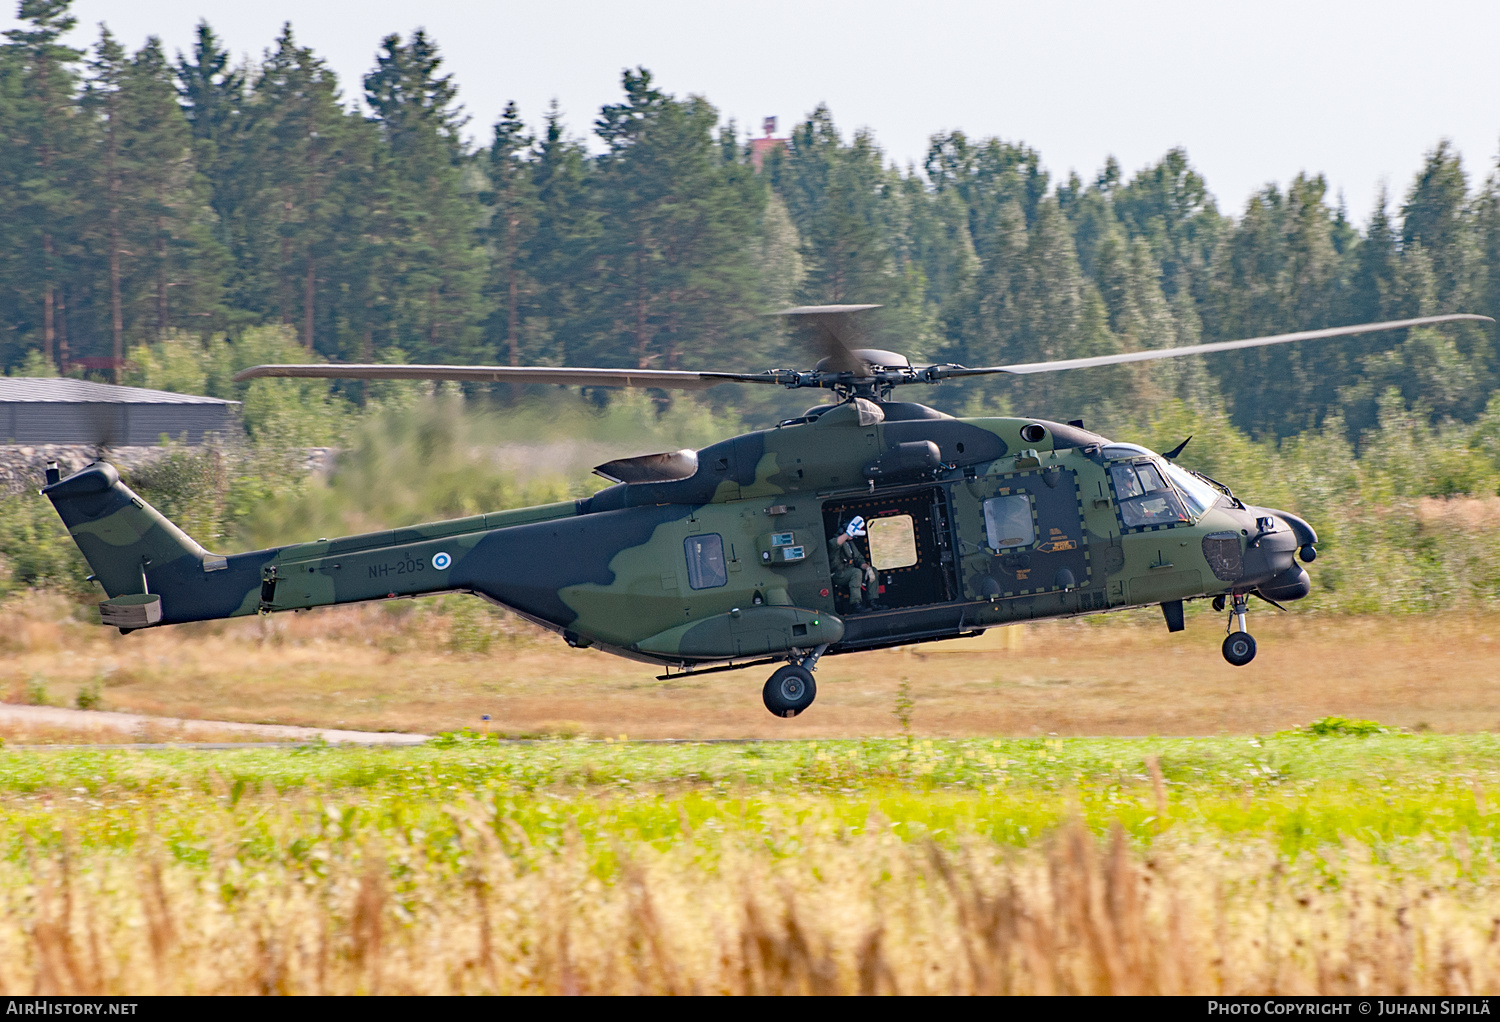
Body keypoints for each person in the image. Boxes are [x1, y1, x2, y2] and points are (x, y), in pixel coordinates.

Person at [829, 515, 880, 611]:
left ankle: (872, 602)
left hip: (851, 572)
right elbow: (833, 544)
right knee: (856, 572)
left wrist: (867, 568)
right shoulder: (837, 541)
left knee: (872, 570)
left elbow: (859, 559)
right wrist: (848, 533)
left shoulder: (850, 544)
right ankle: (856, 604)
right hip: (839, 574)